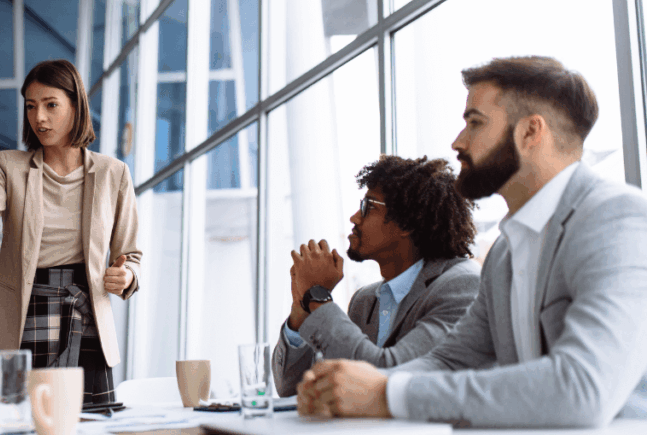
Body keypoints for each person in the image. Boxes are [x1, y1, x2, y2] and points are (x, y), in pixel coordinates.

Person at [297, 56, 647, 428]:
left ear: (531, 133)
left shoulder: (618, 219)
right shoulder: (503, 253)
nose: (458, 141)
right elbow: (448, 361)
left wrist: (386, 394)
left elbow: (582, 388)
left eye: (475, 123)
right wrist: (347, 388)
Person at [0, 59, 142, 406]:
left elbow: (131, 255)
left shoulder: (114, 173)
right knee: (10, 425)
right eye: (31, 107)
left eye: (51, 105)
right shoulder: (8, 165)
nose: (39, 118)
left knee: (89, 427)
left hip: (86, 316)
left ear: (76, 106)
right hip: (21, 312)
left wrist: (125, 276)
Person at [273, 155, 479, 397]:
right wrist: (301, 309)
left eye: (368, 207)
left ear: (406, 223)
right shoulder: (364, 300)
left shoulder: (461, 286)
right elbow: (290, 388)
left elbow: (387, 375)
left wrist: (317, 296)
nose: (354, 218)